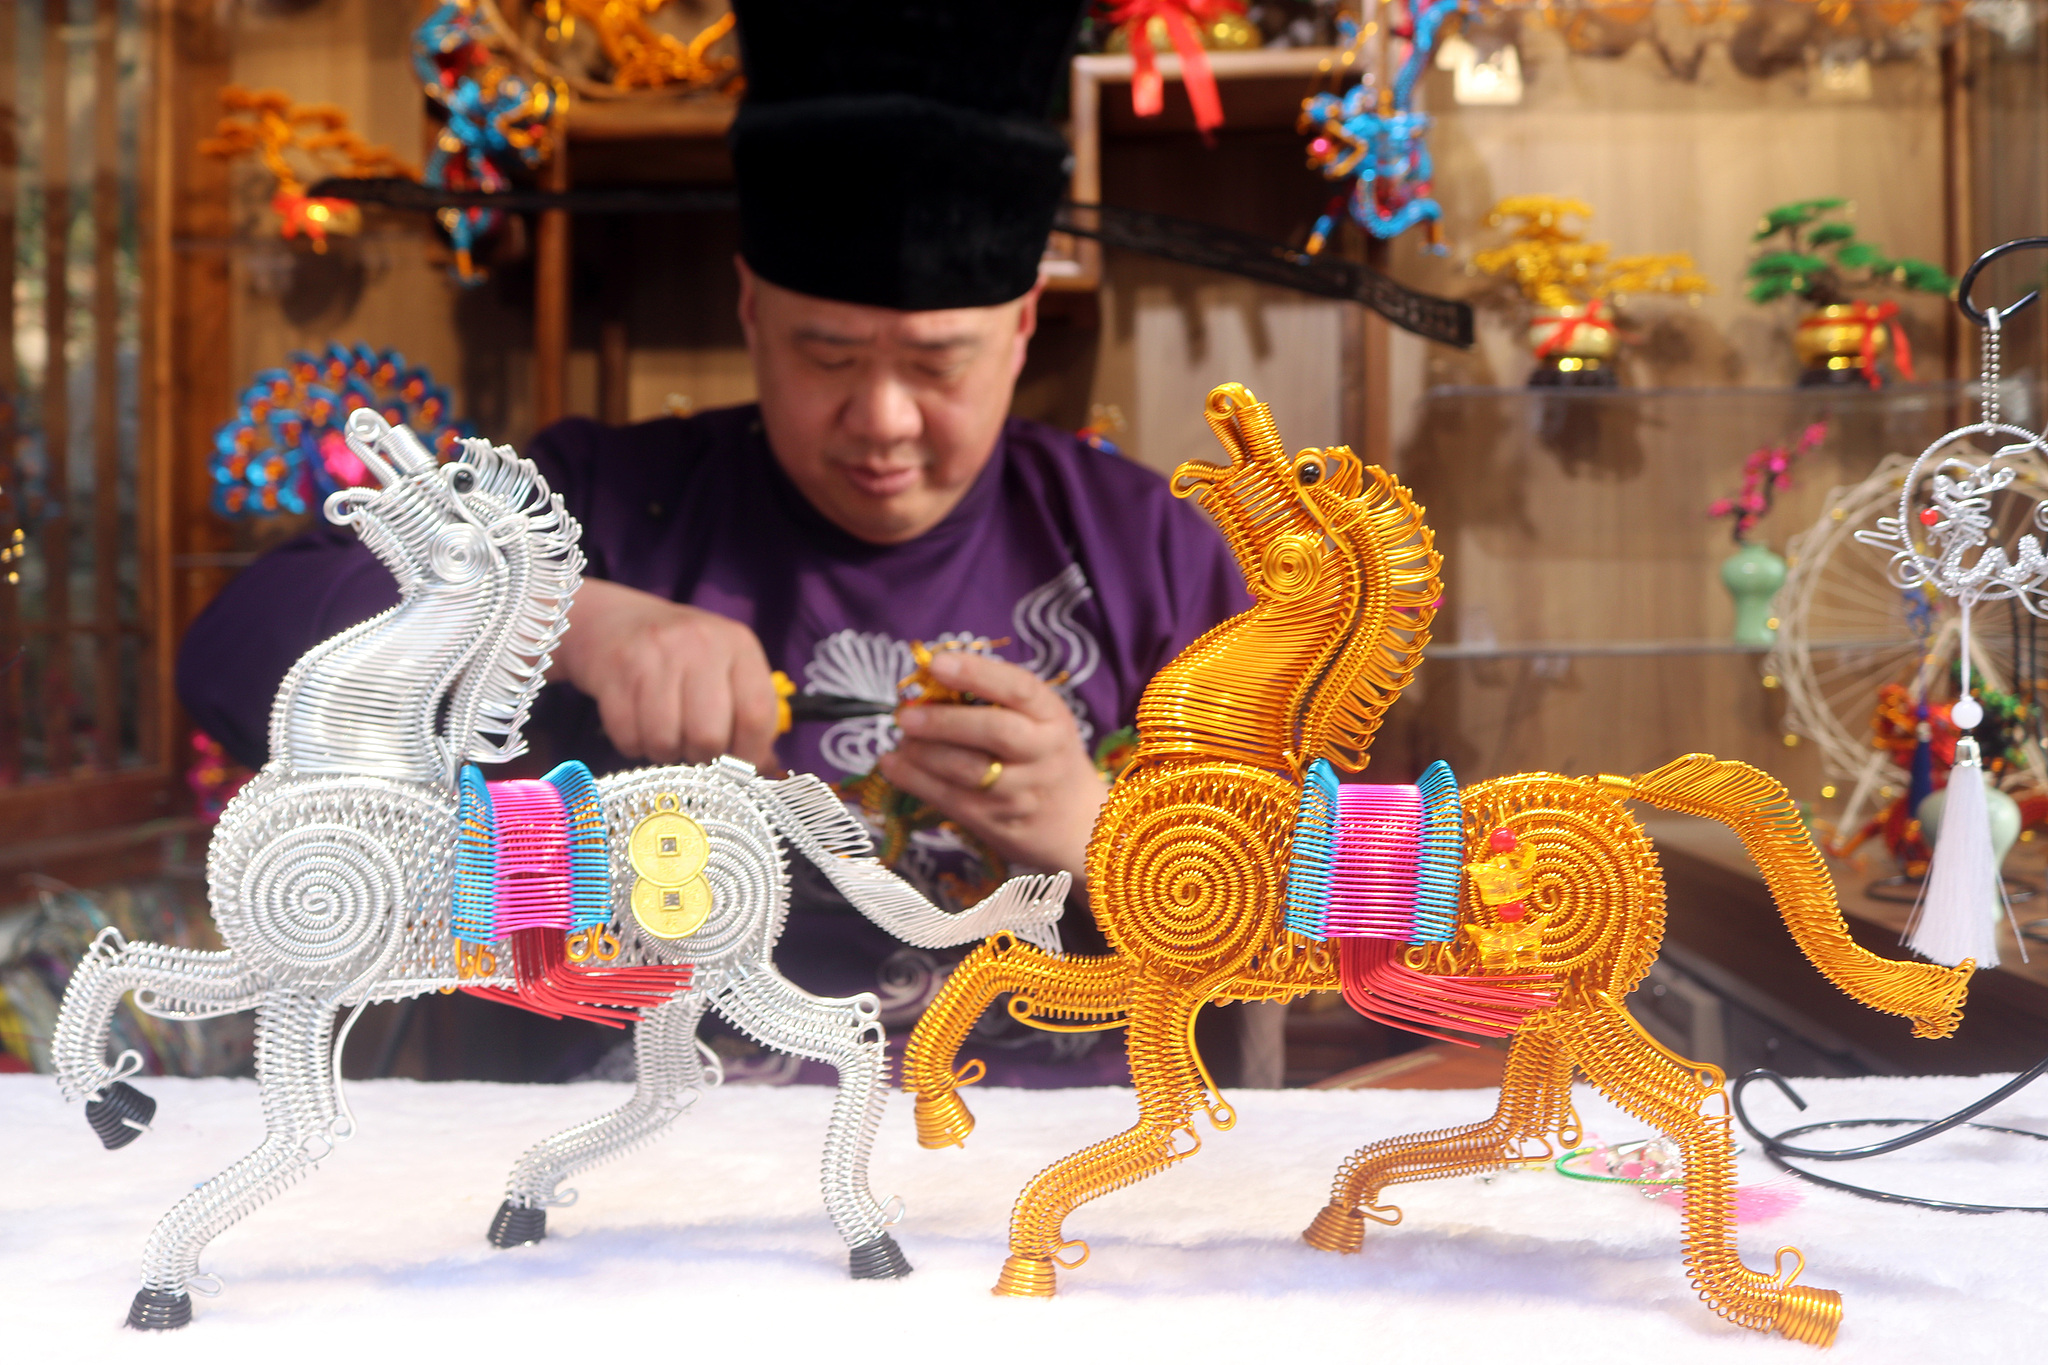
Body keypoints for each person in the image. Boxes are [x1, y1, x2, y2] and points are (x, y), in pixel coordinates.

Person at [178, 0, 1253, 1086]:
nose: (881, 419)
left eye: (938, 365)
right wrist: (565, 615)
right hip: (645, 1172)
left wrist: (1103, 829)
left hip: (1043, 1179)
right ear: (749, 310)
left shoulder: (1147, 549)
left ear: (1021, 325)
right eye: (825, 356)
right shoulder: (604, 500)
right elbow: (228, 652)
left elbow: (1316, 924)